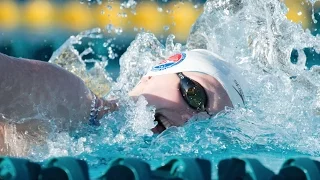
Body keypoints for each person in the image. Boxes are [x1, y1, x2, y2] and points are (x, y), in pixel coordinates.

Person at [0, 49, 247, 154]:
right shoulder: (70, 99)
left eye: (207, 122)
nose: (188, 121)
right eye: (195, 96)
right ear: (157, 71)